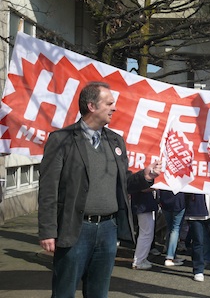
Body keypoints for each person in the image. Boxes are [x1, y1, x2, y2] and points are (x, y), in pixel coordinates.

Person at [38, 81, 161, 297]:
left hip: (107, 229)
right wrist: (48, 230)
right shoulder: (61, 140)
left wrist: (144, 177)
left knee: (98, 292)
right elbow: (48, 189)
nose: (114, 108)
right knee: (64, 292)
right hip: (75, 229)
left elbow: (123, 183)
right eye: (109, 103)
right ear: (92, 106)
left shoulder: (115, 141)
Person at [130, 188, 159, 270]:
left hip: (145, 206)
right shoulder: (138, 178)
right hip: (142, 206)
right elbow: (142, 189)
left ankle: (142, 258)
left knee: (148, 233)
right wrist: (155, 187)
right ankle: (138, 261)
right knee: (146, 233)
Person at [159, 190, 186, 266]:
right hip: (178, 201)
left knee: (170, 228)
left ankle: (171, 255)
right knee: (176, 228)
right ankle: (170, 257)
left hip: (165, 201)